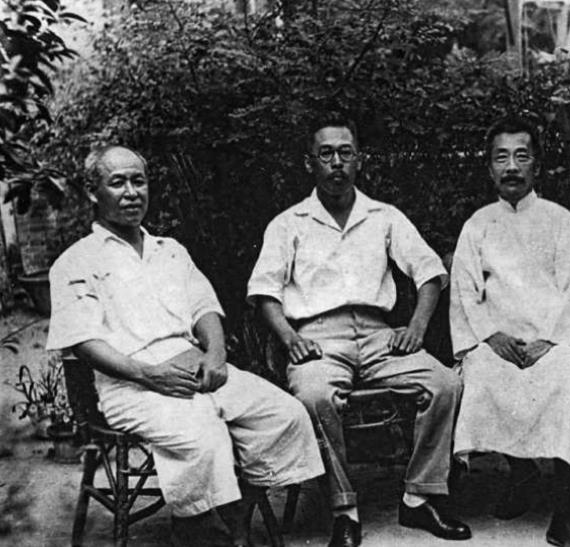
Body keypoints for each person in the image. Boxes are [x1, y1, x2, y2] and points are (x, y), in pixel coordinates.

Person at [46, 146, 324, 547]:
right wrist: (148, 375)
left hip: (198, 369)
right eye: (117, 182)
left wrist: (216, 355)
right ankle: (198, 524)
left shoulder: (170, 250)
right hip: (131, 385)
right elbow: (85, 342)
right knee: (202, 434)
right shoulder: (75, 262)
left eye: (138, 181)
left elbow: (204, 309)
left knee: (284, 413)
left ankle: (236, 515)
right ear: (93, 192)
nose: (131, 192)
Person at [247, 113, 471, 547]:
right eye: (326, 154)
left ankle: (419, 497)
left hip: (378, 334)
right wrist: (290, 338)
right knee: (313, 396)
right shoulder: (289, 223)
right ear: (309, 162)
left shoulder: (384, 216)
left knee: (445, 384)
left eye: (345, 153)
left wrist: (416, 326)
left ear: (359, 160)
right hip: (319, 338)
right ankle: (343, 509)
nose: (337, 163)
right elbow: (264, 293)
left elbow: (429, 273)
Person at [450, 115, 570, 547]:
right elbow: (464, 292)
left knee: (564, 389)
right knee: (481, 381)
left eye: (521, 156)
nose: (511, 167)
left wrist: (551, 341)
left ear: (537, 165)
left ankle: (565, 512)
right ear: (489, 168)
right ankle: (522, 473)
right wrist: (489, 337)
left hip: (554, 341)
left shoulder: (561, 221)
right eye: (501, 158)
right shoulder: (477, 225)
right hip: (495, 342)